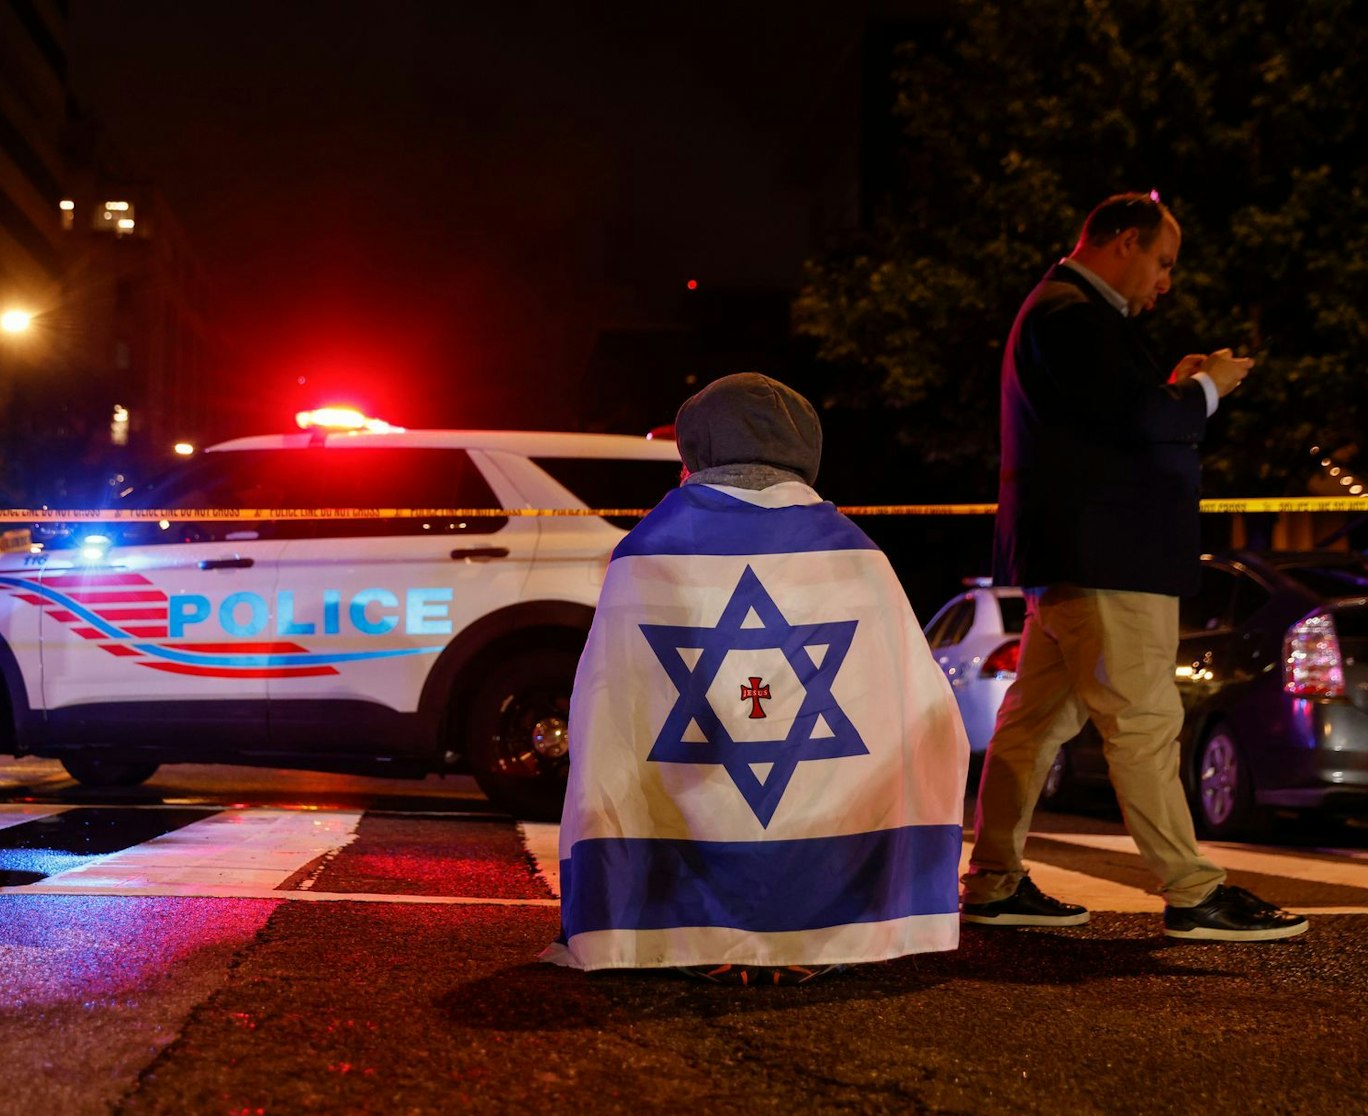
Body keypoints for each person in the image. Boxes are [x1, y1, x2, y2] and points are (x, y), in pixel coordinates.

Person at [545, 374, 969, 984]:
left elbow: (612, 708)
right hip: (822, 829)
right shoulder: (856, 553)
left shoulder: (649, 550)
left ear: (695, 451)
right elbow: (910, 702)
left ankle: (681, 931)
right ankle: (821, 931)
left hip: (686, 808)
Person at [964, 191, 1306, 941]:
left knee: (1034, 725)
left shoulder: (1059, 313)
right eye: (1162, 262)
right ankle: (1193, 892)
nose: (1166, 283)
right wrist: (1206, 386)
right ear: (1121, 242)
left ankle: (994, 879)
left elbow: (1123, 414)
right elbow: (1145, 423)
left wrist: (1177, 389)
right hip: (1112, 558)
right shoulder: (1073, 315)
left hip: (1075, 558)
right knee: (1145, 721)